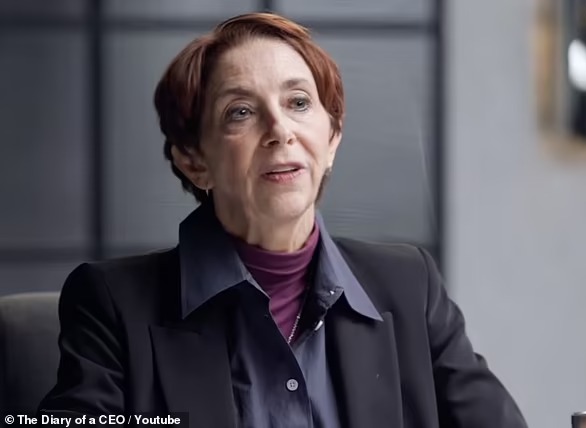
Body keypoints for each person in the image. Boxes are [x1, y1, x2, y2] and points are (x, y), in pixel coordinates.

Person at [39, 12, 528, 428]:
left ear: (332, 137)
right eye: (240, 112)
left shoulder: (409, 287)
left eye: (298, 103)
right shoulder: (112, 304)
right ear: (193, 160)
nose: (280, 130)